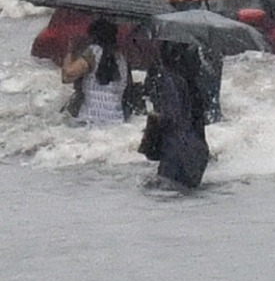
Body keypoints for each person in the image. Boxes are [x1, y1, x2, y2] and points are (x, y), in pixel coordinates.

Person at [144, 41, 210, 189]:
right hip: (197, 152)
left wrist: (154, 120)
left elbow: (170, 117)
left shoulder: (168, 79)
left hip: (176, 153)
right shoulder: (194, 86)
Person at [60, 18, 129, 126]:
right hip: (116, 121)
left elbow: (67, 76)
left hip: (89, 118)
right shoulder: (121, 59)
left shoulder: (92, 52)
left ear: (93, 36)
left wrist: (70, 50)